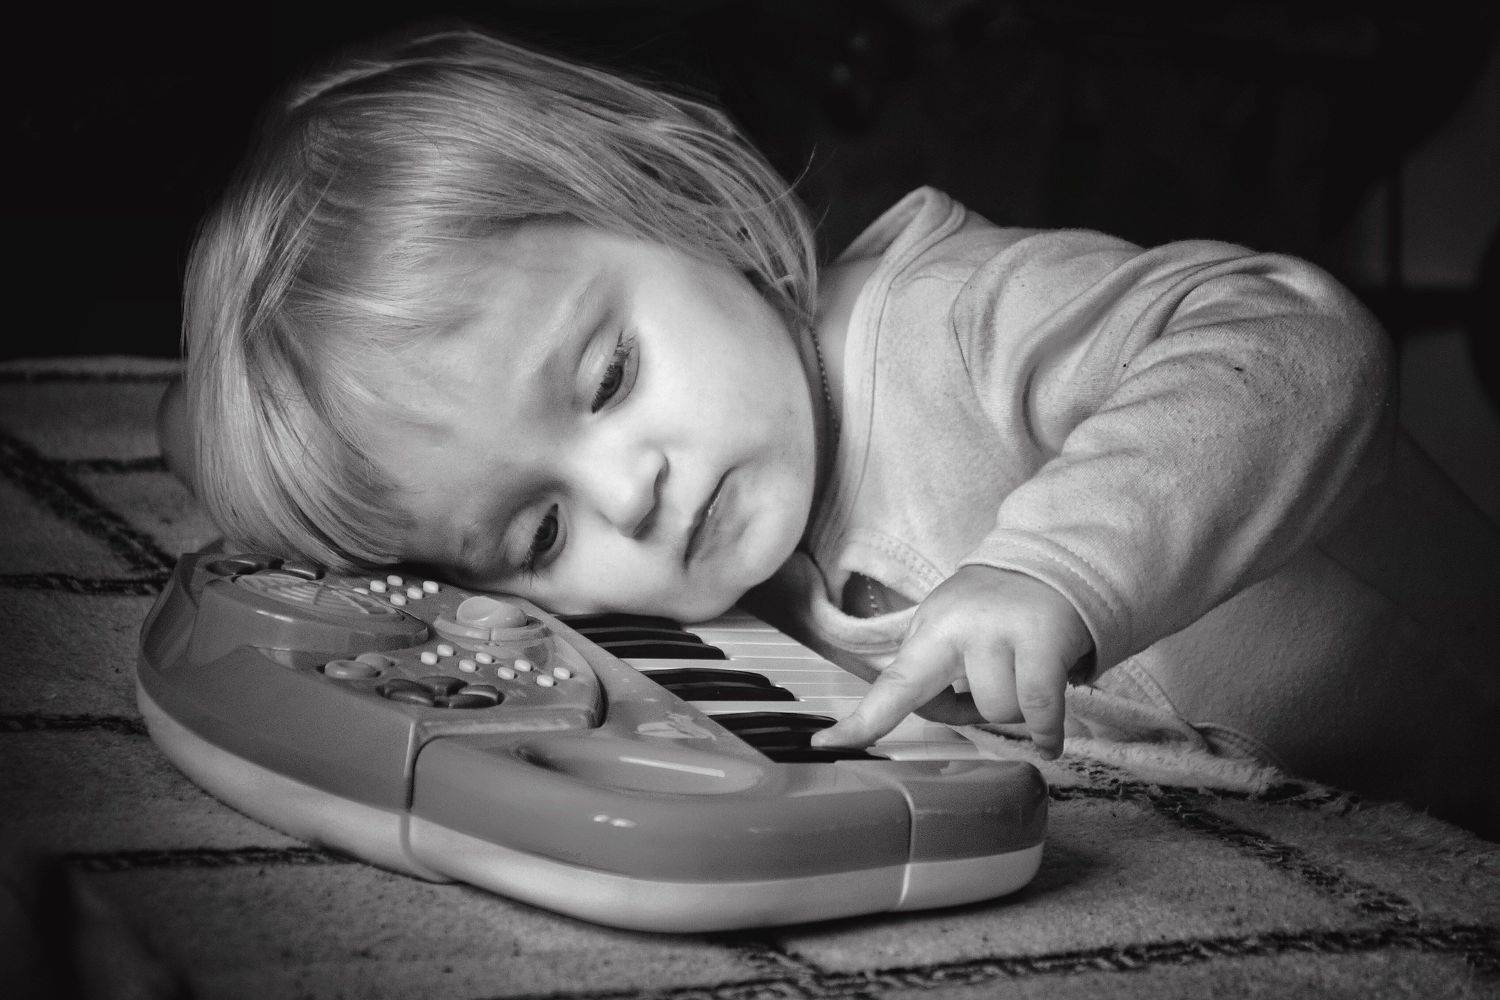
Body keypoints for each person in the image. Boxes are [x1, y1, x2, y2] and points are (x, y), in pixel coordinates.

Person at [160, 24, 1500, 837]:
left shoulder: (954, 322)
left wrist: (1052, 569)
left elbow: (1296, 341)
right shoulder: (748, 562)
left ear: (678, 199)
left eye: (612, 376)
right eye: (542, 526)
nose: (631, 494)